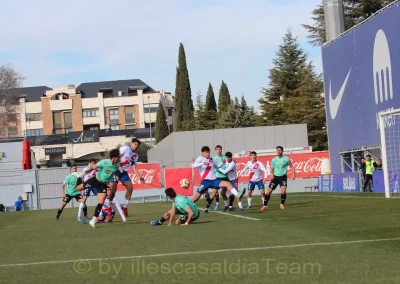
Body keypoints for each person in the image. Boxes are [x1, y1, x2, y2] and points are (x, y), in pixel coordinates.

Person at [76, 149, 120, 228]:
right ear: (114, 158)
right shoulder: (104, 162)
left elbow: (115, 171)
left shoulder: (116, 165)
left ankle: (93, 220)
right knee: (78, 189)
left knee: (101, 202)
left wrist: (116, 176)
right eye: (118, 157)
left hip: (103, 184)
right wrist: (88, 171)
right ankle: (78, 179)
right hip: (95, 180)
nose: (119, 159)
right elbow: (94, 167)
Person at [191, 146, 242, 213]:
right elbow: (193, 165)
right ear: (202, 153)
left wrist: (222, 163)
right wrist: (202, 163)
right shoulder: (200, 158)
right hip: (205, 181)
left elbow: (217, 166)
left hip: (214, 180)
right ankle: (185, 207)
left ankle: (237, 194)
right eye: (206, 152)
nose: (208, 153)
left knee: (227, 184)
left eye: (208, 151)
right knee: (196, 198)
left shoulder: (211, 159)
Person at [108, 138, 144, 217]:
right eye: (135, 144)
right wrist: (119, 166)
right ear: (131, 143)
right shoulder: (125, 148)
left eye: (137, 145)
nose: (136, 146)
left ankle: (124, 207)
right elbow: (116, 157)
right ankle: (108, 207)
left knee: (130, 188)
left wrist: (139, 177)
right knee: (113, 189)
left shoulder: (135, 156)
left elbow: (134, 167)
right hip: (116, 170)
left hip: (124, 173)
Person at [261, 146, 295, 211]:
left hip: (283, 177)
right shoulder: (274, 160)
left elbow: (292, 167)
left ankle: (282, 204)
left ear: (282, 151)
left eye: (279, 150)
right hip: (275, 177)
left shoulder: (286, 159)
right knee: (269, 192)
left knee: (283, 191)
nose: (278, 151)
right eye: (277, 150)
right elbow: (272, 168)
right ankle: (264, 205)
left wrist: (293, 175)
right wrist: (271, 175)